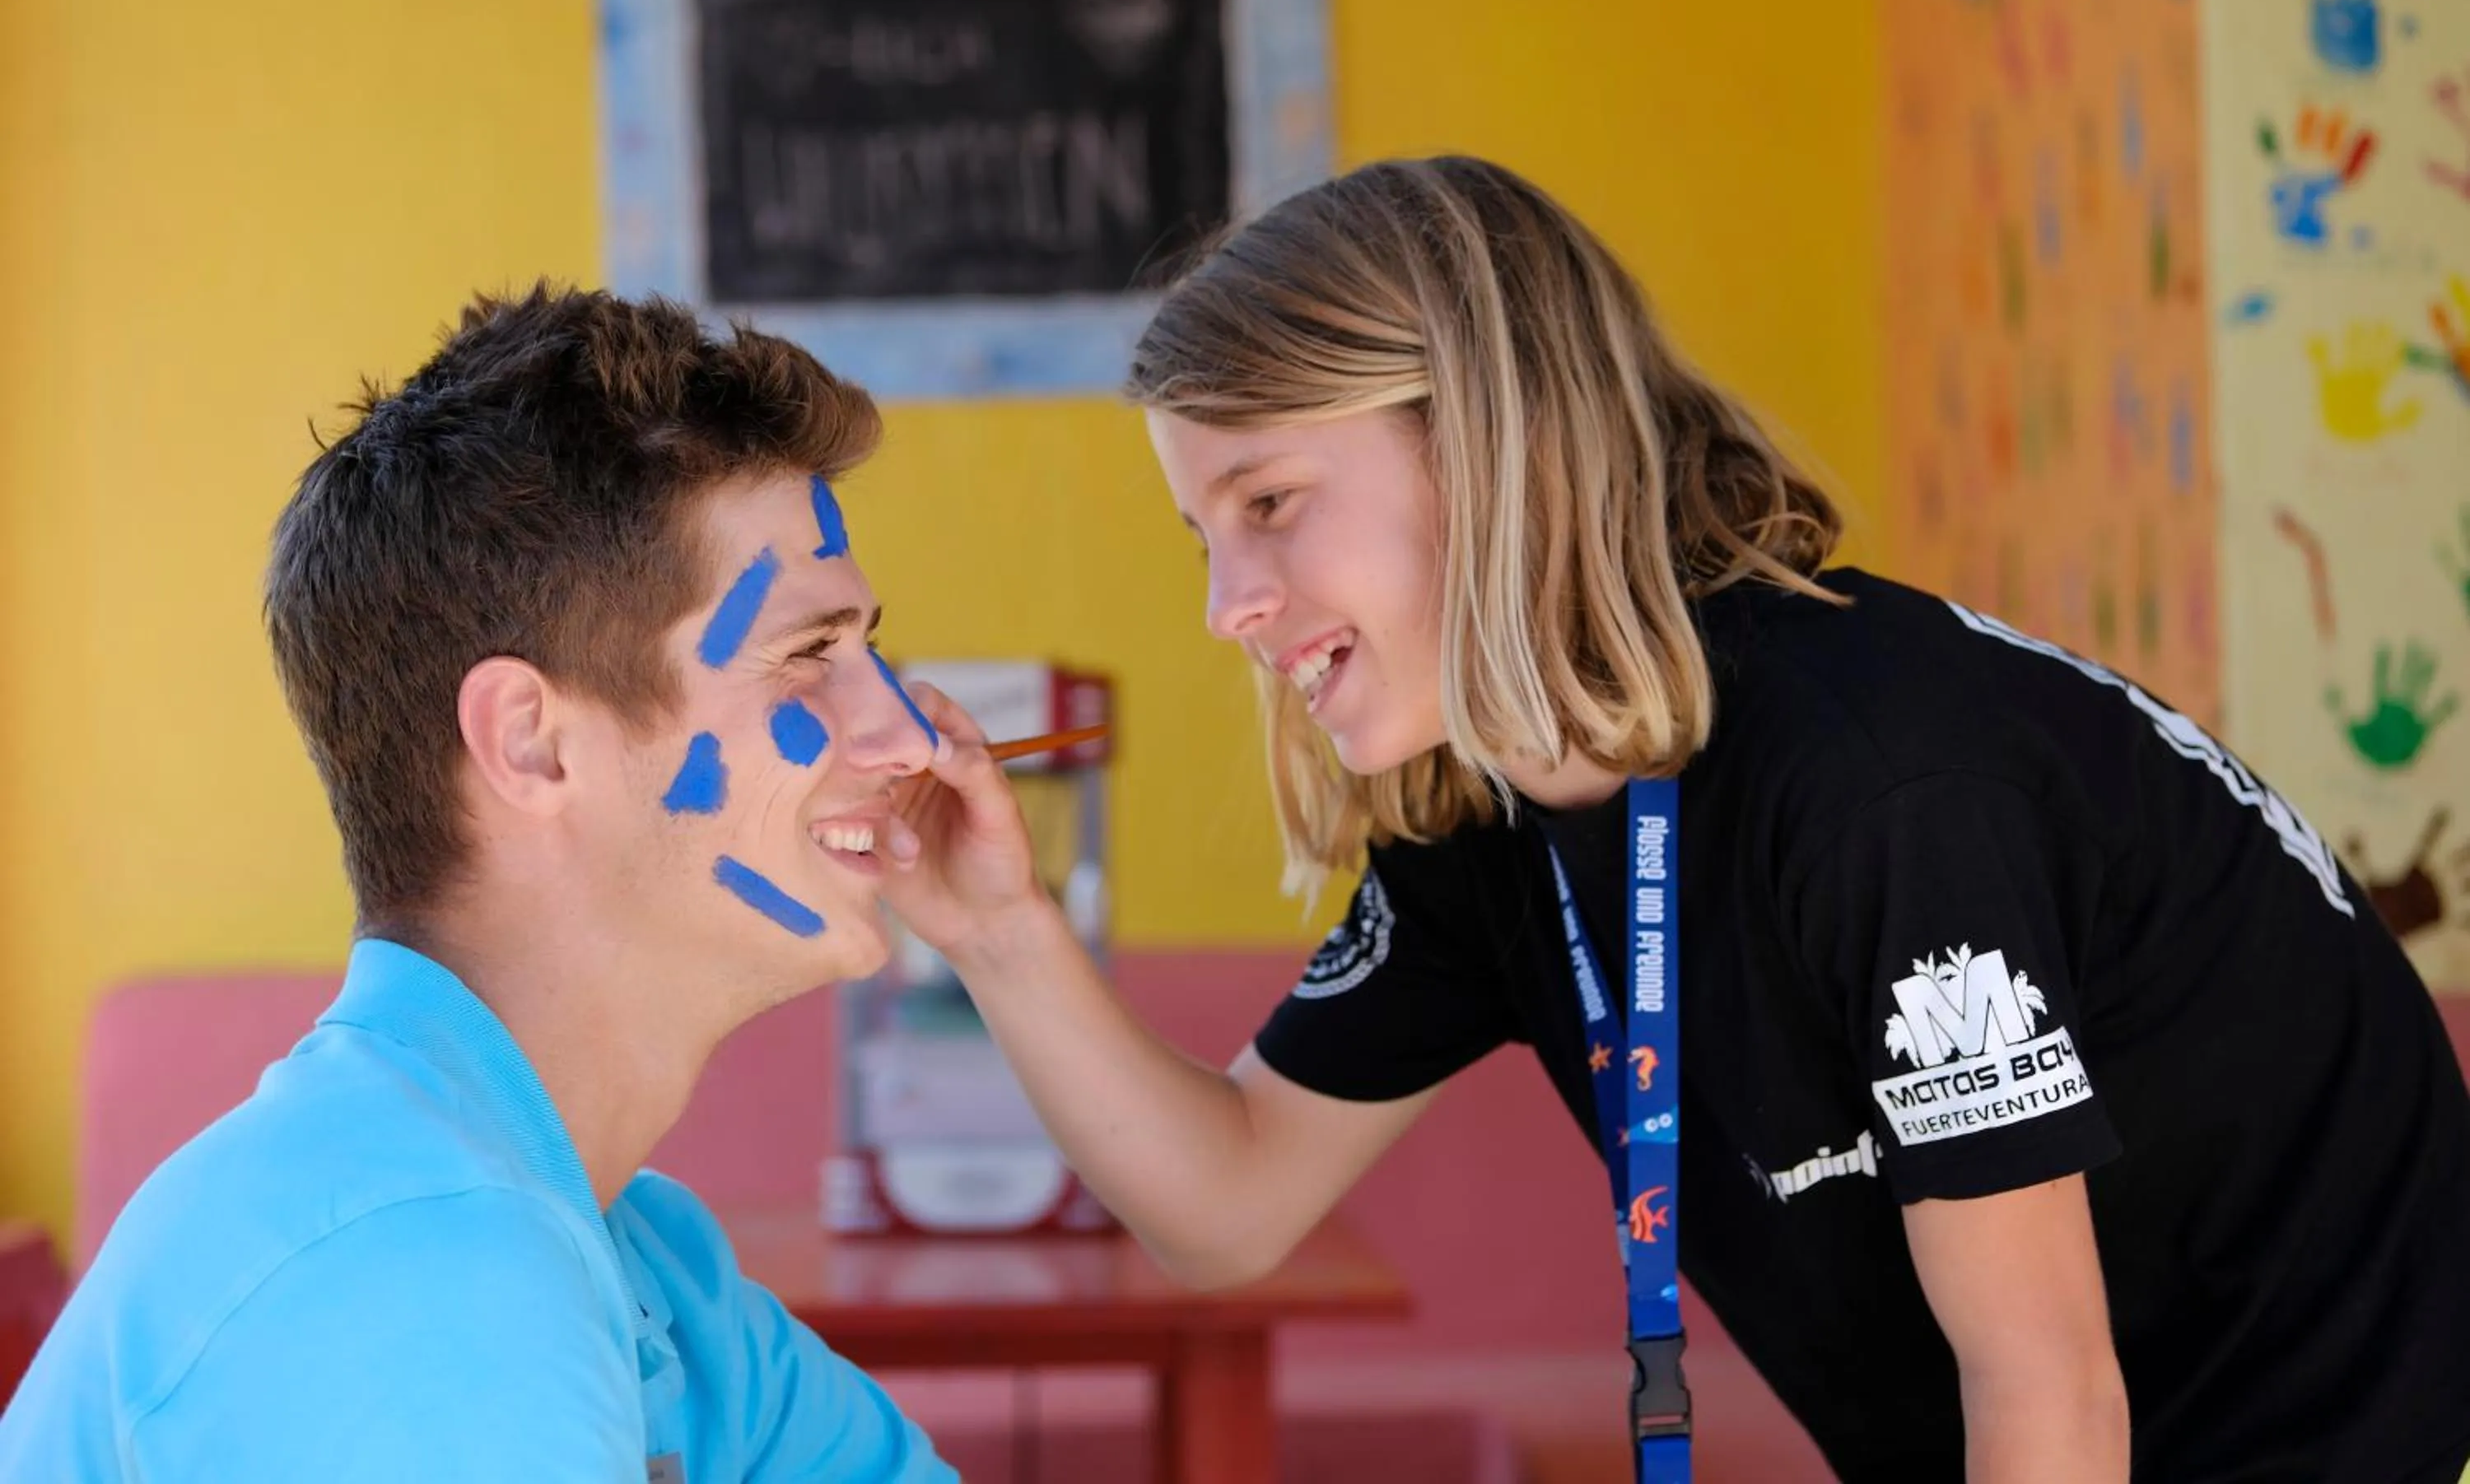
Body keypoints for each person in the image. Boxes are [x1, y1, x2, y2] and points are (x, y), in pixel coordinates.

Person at [879, 156, 2470, 1483]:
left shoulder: (1880, 783)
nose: (1231, 607)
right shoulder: (1488, 818)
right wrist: (999, 932)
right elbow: (1226, 1209)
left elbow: (2048, 1390)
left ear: (1492, 443)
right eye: (1200, 535)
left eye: (1272, 505)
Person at [0, 286, 958, 1482]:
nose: (910, 737)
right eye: (811, 655)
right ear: (532, 744)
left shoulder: (643, 1268)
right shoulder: (417, 1268)